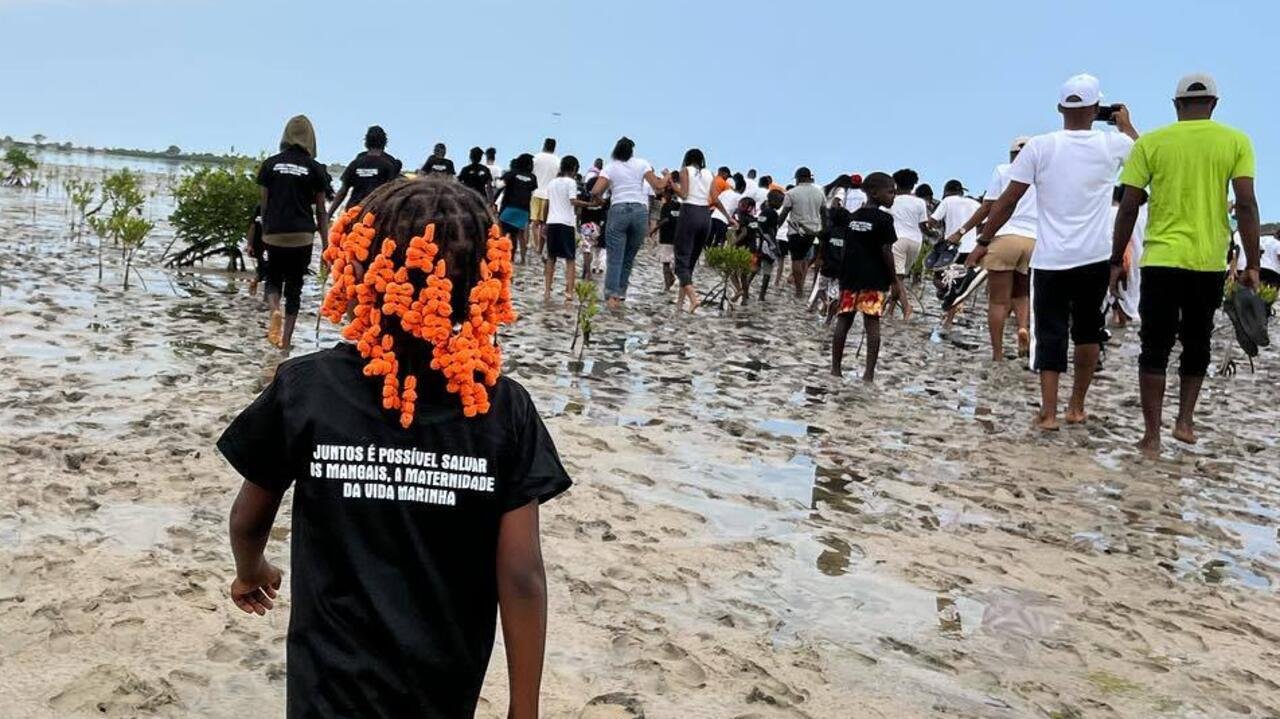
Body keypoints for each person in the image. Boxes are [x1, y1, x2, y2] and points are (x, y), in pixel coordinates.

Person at [221, 178, 571, 718]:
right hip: (442, 691)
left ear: (358, 268)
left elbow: (248, 518)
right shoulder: (502, 408)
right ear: (487, 279)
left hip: (328, 692)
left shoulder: (307, 389)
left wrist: (252, 569)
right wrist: (524, 708)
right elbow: (522, 573)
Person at [1111, 72, 1258, 455]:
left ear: (1176, 105)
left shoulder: (1154, 142)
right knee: (1197, 341)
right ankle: (1185, 421)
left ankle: (1151, 435)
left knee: (1154, 345)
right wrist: (1252, 264)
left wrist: (1115, 258)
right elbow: (1245, 203)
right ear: (1213, 104)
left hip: (1160, 259)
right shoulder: (1235, 141)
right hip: (1207, 262)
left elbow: (1128, 206)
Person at [981, 73, 1138, 431]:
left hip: (1050, 258)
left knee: (1048, 332)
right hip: (1094, 257)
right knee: (1088, 331)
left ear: (1059, 108)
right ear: (1097, 108)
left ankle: (1048, 413)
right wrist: (1126, 125)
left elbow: (1008, 200)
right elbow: (1143, 156)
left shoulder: (1039, 146)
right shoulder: (1112, 145)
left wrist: (983, 240)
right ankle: (1076, 407)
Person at [960, 137, 1039, 360]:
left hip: (1006, 237)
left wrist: (971, 235)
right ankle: (1023, 327)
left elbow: (989, 206)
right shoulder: (1041, 175)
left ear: (1013, 155)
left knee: (998, 301)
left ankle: (997, 353)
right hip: (1034, 241)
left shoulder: (1004, 170)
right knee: (1022, 293)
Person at [257, 115, 330, 350]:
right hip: (302, 236)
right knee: (295, 288)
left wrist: (263, 233)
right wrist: (326, 245)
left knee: (272, 280)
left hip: (274, 233)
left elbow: (264, 205)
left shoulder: (270, 164)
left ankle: (275, 310)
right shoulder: (315, 169)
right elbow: (321, 211)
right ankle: (286, 343)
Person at [832, 172, 904, 381]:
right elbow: (886, 251)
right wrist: (894, 281)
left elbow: (846, 249)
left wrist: (842, 275)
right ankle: (868, 374)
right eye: (890, 192)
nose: (893, 197)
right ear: (874, 192)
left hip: (849, 278)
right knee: (872, 324)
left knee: (843, 320)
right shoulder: (884, 219)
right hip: (873, 280)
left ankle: (836, 369)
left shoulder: (853, 217)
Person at [590, 137, 668, 308]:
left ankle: (611, 297)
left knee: (614, 258)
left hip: (618, 210)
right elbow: (658, 187)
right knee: (628, 258)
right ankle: (621, 293)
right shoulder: (642, 164)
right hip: (640, 212)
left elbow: (596, 191)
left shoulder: (610, 167)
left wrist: (602, 202)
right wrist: (667, 176)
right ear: (632, 150)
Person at [930, 179, 983, 332]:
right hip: (972, 249)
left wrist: (942, 228)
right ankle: (950, 312)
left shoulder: (947, 201)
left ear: (946, 191)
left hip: (952, 249)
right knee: (960, 284)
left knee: (941, 280)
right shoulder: (974, 204)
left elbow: (932, 221)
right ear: (961, 191)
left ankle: (948, 318)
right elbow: (983, 224)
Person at [670, 148, 715, 313]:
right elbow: (714, 199)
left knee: (681, 260)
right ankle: (680, 304)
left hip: (689, 212)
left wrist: (672, 184)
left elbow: (684, 194)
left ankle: (694, 298)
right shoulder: (709, 173)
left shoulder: (685, 170)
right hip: (705, 215)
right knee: (690, 262)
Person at [882, 169, 928, 320]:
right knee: (900, 278)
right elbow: (923, 226)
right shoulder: (920, 202)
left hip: (897, 240)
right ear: (914, 185)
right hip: (916, 242)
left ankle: (907, 308)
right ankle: (890, 310)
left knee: (896, 279)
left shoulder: (890, 200)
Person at [328, 125, 403, 216]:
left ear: (366, 142)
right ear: (384, 142)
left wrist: (329, 215)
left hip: (354, 213)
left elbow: (342, 192)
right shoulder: (389, 164)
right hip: (376, 215)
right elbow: (395, 193)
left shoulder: (356, 163)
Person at [543, 156, 588, 302]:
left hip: (552, 222)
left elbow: (546, 204)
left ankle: (547, 291)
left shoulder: (552, 183)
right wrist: (590, 205)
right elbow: (573, 201)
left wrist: (544, 223)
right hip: (566, 223)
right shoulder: (571, 183)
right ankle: (569, 292)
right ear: (574, 168)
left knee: (551, 258)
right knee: (570, 259)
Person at [777, 167, 826, 298]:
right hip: (813, 232)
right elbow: (824, 214)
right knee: (805, 261)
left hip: (796, 231)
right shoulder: (819, 193)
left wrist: (776, 227)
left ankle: (799, 290)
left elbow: (784, 213)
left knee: (796, 260)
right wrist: (824, 232)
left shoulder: (791, 193)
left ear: (798, 178)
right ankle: (802, 286)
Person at [1107, 186, 1147, 326]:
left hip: (1120, 257)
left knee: (1117, 290)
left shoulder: (1114, 213)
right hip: (1140, 261)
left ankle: (1117, 317)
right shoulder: (1146, 213)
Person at [497, 153, 538, 265]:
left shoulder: (512, 173)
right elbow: (532, 190)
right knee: (519, 236)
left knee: (502, 231)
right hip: (523, 209)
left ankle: (499, 255)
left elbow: (500, 186)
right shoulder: (532, 178)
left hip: (509, 207)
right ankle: (521, 259)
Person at [813, 196, 849, 321]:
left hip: (827, 266)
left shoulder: (828, 231)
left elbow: (821, 246)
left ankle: (825, 303)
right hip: (841, 269)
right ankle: (829, 319)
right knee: (835, 295)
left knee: (821, 289)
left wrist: (818, 259)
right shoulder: (849, 235)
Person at [530, 138, 560, 256]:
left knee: (535, 223)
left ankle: (537, 247)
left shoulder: (536, 158)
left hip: (536, 193)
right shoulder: (558, 161)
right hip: (550, 195)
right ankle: (542, 248)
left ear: (544, 145)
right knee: (545, 223)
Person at [754, 189, 785, 301]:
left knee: (755, 268)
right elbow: (770, 231)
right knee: (767, 271)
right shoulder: (773, 214)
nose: (781, 204)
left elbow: (760, 227)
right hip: (767, 245)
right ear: (774, 201)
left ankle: (746, 288)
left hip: (760, 243)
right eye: (780, 202)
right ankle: (762, 295)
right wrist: (774, 246)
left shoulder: (763, 212)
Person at [649, 184, 681, 290]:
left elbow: (665, 220)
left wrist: (654, 229)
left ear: (667, 194)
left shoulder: (666, 206)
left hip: (666, 237)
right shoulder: (680, 205)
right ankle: (673, 277)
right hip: (677, 238)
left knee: (665, 262)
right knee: (675, 260)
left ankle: (668, 284)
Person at [708, 167, 736, 248]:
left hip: (706, 209)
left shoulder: (712, 180)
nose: (727, 178)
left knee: (708, 236)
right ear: (724, 173)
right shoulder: (724, 183)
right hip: (716, 210)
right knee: (718, 239)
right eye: (727, 176)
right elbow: (730, 196)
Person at [244, 204, 266, 297]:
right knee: (268, 268)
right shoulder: (277, 206)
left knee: (263, 266)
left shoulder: (259, 207)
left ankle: (256, 281)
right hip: (269, 242)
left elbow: (252, 227)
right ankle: (257, 281)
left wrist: (249, 244)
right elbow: (252, 227)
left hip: (259, 243)